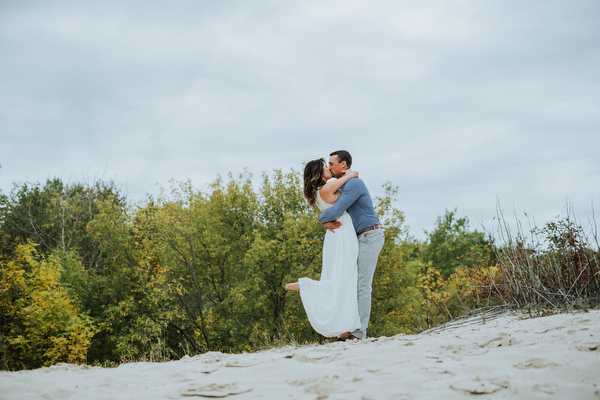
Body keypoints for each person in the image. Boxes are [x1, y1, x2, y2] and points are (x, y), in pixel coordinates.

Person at [285, 158, 362, 339]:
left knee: (341, 278)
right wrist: (346, 172)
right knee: (345, 278)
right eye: (325, 166)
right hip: (342, 233)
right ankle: (306, 286)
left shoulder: (321, 190)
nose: (329, 168)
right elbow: (354, 175)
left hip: (336, 234)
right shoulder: (328, 187)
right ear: (319, 173)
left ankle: (344, 331)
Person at [317, 150, 384, 341]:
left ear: (343, 165)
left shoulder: (354, 183)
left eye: (331, 163)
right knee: (350, 283)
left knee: (363, 286)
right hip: (358, 239)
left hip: (370, 236)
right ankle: (348, 329)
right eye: (327, 165)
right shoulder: (345, 183)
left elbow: (337, 210)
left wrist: (320, 219)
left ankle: (358, 333)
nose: (329, 167)